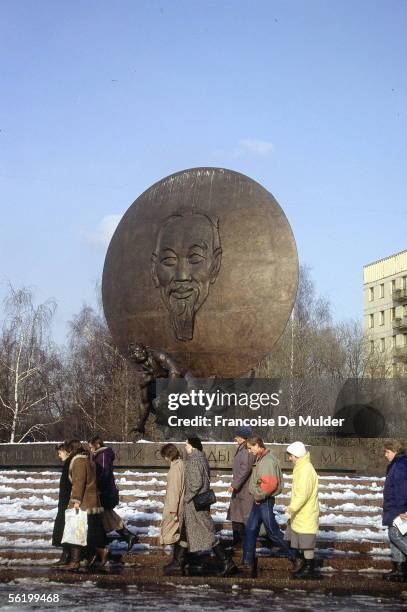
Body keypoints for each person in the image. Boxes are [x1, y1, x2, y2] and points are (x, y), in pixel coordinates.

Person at [243, 436, 296, 577]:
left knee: (272, 532)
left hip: (263, 500)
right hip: (260, 500)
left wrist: (259, 496)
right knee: (250, 529)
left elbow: (270, 485)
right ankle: (247, 562)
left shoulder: (267, 461)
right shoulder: (263, 458)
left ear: (258, 445)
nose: (249, 451)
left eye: (250, 448)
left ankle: (296, 556)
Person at [184, 436, 237, 576]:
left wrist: (186, 497)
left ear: (193, 447)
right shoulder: (201, 458)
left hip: (195, 502)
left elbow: (195, 483)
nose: (185, 448)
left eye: (187, 445)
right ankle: (191, 560)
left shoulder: (194, 460)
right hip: (200, 501)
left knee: (207, 533)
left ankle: (227, 561)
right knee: (197, 531)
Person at [61, 439, 108, 571]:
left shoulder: (79, 461)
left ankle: (75, 561)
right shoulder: (88, 459)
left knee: (75, 529)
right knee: (87, 531)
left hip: (83, 501)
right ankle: (98, 552)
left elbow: (79, 481)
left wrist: (76, 500)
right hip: (91, 499)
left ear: (71, 450)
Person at [88, 435, 137, 551]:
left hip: (104, 490)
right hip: (105, 489)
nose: (90, 449)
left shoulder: (103, 455)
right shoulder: (100, 455)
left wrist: (97, 486)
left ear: (97, 445)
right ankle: (126, 535)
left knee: (105, 515)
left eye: (91, 447)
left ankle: (125, 536)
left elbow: (104, 472)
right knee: (106, 515)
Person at [285, 441, 319, 579]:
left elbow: (303, 494)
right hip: (302, 513)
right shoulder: (302, 467)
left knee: (307, 543)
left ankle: (309, 568)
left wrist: (292, 508)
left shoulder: (305, 470)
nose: (289, 458)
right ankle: (306, 566)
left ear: (297, 455)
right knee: (302, 541)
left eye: (291, 455)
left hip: (305, 513)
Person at [159, 443, 187, 575]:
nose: (164, 459)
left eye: (164, 456)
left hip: (174, 506)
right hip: (177, 505)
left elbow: (175, 490)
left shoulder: (176, 468)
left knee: (173, 533)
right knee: (178, 533)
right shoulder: (180, 464)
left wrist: (173, 510)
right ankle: (177, 561)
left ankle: (177, 562)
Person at [227, 426, 255, 549]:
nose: (235, 438)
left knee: (243, 517)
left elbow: (245, 469)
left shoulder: (246, 450)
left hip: (243, 489)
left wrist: (234, 485)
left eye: (237, 436)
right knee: (236, 516)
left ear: (243, 437)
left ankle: (244, 543)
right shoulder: (241, 448)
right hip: (239, 489)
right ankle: (237, 541)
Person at [382, 440, 407, 582]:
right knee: (394, 536)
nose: (386, 455)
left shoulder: (400, 465)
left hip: (398, 508)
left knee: (395, 534)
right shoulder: (397, 464)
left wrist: (403, 509)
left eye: (387, 451)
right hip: (393, 507)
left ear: (395, 451)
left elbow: (402, 489)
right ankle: (400, 569)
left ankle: (400, 568)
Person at [51, 442, 72, 566]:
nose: (59, 456)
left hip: (68, 502)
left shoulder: (70, 463)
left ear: (65, 451)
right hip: (65, 501)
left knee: (66, 528)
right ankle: (66, 554)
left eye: (59, 453)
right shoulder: (68, 463)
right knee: (65, 528)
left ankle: (67, 555)